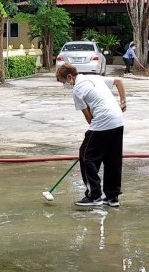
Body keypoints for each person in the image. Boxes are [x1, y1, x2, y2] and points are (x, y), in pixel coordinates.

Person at [56, 63, 127, 207]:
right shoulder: (94, 78)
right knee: (112, 159)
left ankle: (93, 196)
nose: (66, 85)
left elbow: (89, 118)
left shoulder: (77, 91)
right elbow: (119, 81)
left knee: (86, 156)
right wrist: (123, 102)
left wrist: (92, 132)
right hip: (118, 120)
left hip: (103, 122)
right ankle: (112, 197)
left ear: (70, 77)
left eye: (64, 82)